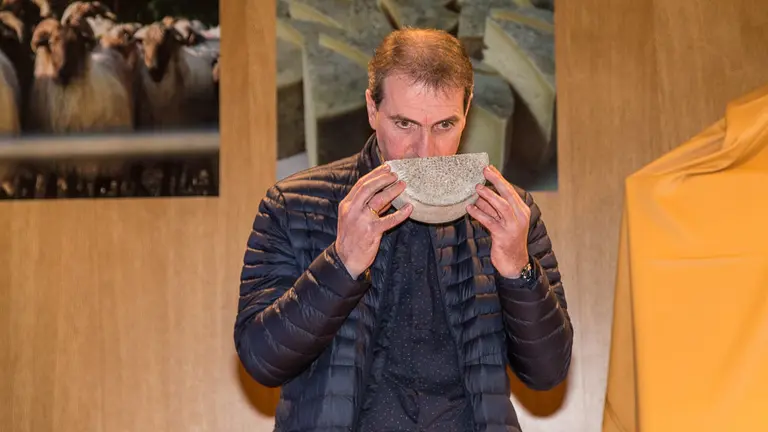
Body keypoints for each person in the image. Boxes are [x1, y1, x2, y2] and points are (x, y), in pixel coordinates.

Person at [234, 27, 573, 432]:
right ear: (372, 110)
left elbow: (549, 371)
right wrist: (341, 265)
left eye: (445, 125)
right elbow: (261, 360)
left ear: (468, 109)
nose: (425, 150)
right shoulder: (293, 205)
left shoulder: (510, 213)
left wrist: (520, 272)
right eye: (405, 124)